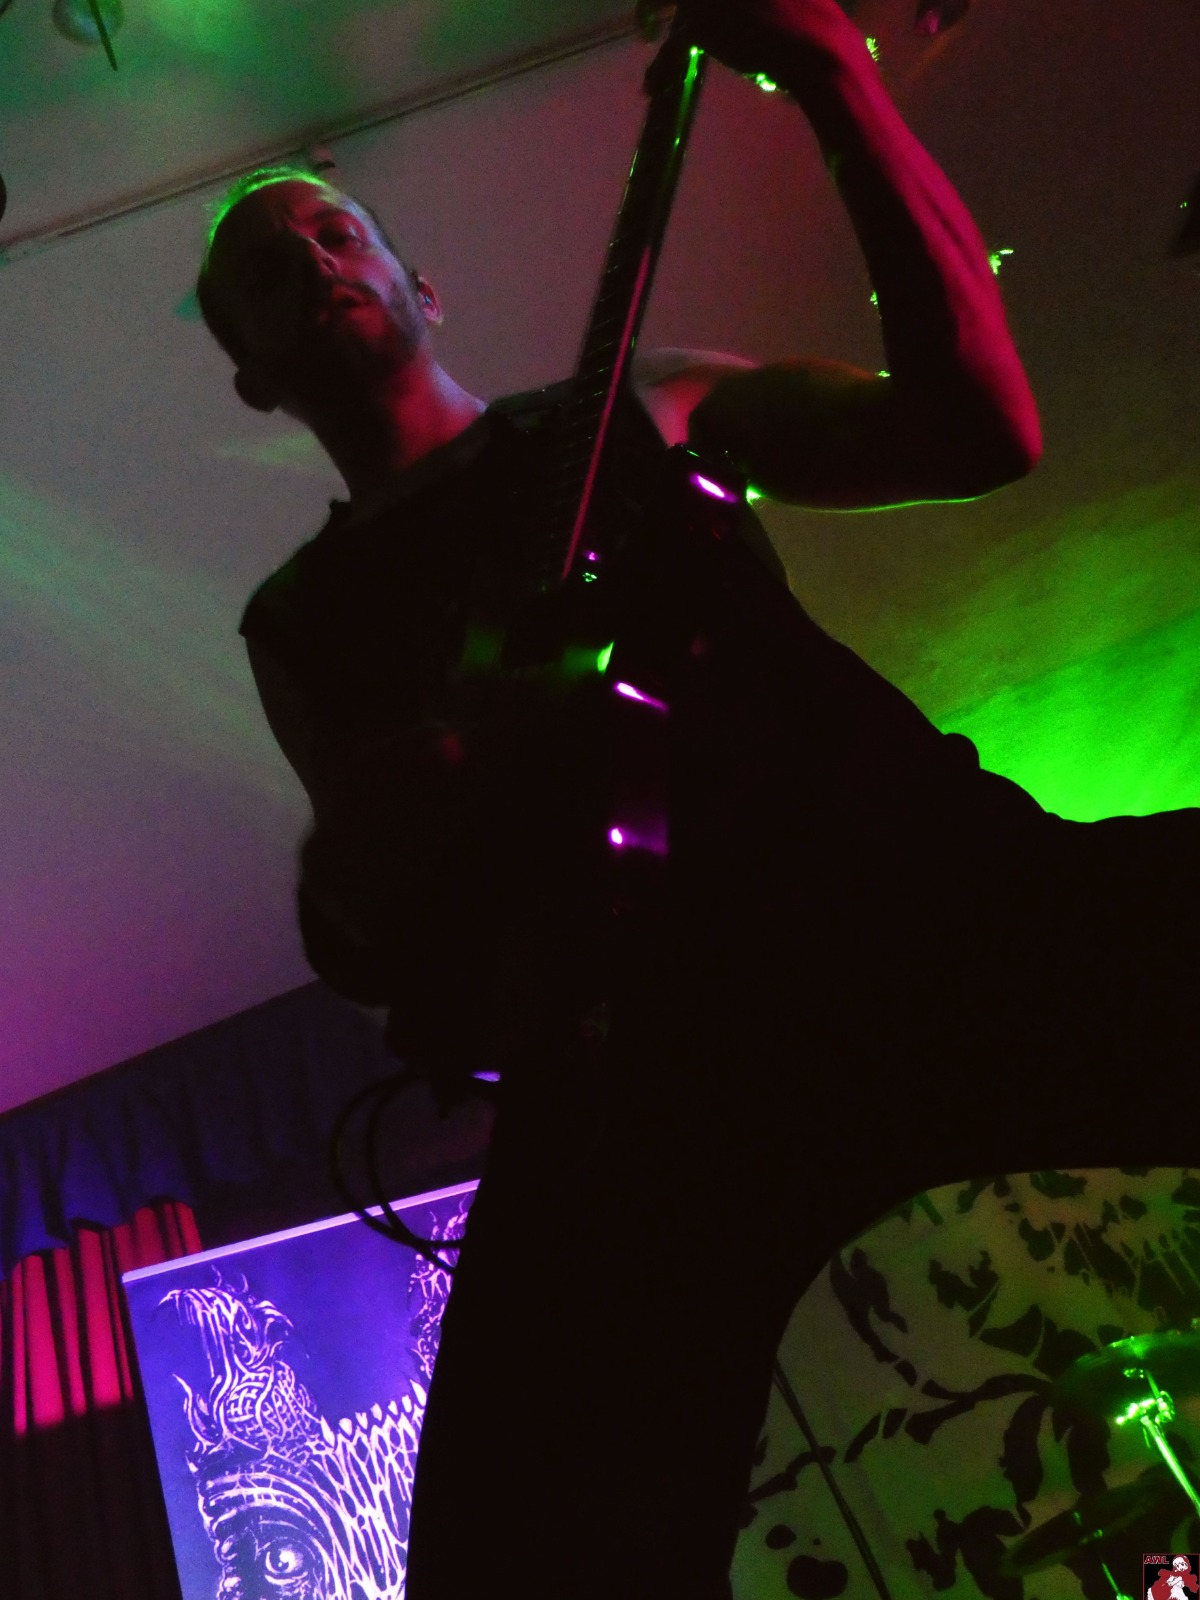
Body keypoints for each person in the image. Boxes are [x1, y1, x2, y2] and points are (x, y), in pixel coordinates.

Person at [196, 1, 1198, 1595]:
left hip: (913, 891)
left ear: (420, 284)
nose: (313, 260)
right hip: (644, 1066)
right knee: (514, 1538)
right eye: (268, 269)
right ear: (252, 376)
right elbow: (366, 919)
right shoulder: (300, 621)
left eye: (335, 230)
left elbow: (976, 428)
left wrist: (833, 74)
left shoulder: (642, 405)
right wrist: (453, 753)